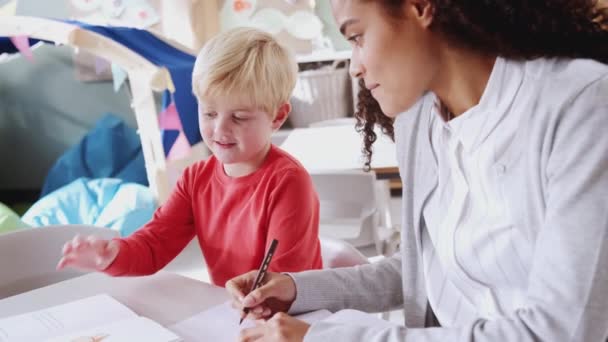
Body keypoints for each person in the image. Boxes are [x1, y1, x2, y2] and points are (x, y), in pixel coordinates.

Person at [227, 0, 608, 340]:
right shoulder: (420, 123)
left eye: (358, 36)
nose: (355, 68)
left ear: (421, 7)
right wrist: (298, 290)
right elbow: (420, 268)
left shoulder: (581, 105)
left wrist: (327, 337)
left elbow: (564, 330)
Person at [56, 27, 323, 287]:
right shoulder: (195, 179)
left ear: (277, 116)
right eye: (209, 113)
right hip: (237, 312)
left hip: (291, 318)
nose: (220, 129)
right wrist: (112, 255)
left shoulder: (288, 183)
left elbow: (284, 285)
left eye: (239, 117)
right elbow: (154, 245)